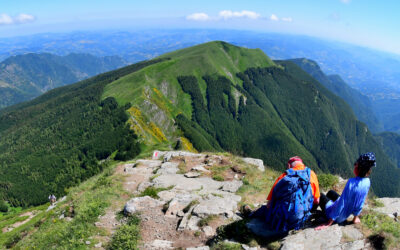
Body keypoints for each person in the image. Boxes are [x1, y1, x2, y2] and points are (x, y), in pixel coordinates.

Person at [243, 156, 320, 231]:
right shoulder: (311, 174)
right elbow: (317, 201)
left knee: (264, 209)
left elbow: (269, 204)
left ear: (289, 165)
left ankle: (250, 213)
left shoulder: (284, 176)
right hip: (302, 217)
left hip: (282, 217)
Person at [315, 152, 375, 230]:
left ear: (359, 168)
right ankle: (331, 205)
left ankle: (314, 212)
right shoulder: (367, 181)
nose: (354, 166)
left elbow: (341, 203)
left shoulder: (351, 182)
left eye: (355, 164)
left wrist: (329, 222)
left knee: (320, 195)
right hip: (347, 212)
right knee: (330, 193)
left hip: (338, 217)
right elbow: (361, 201)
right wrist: (355, 217)